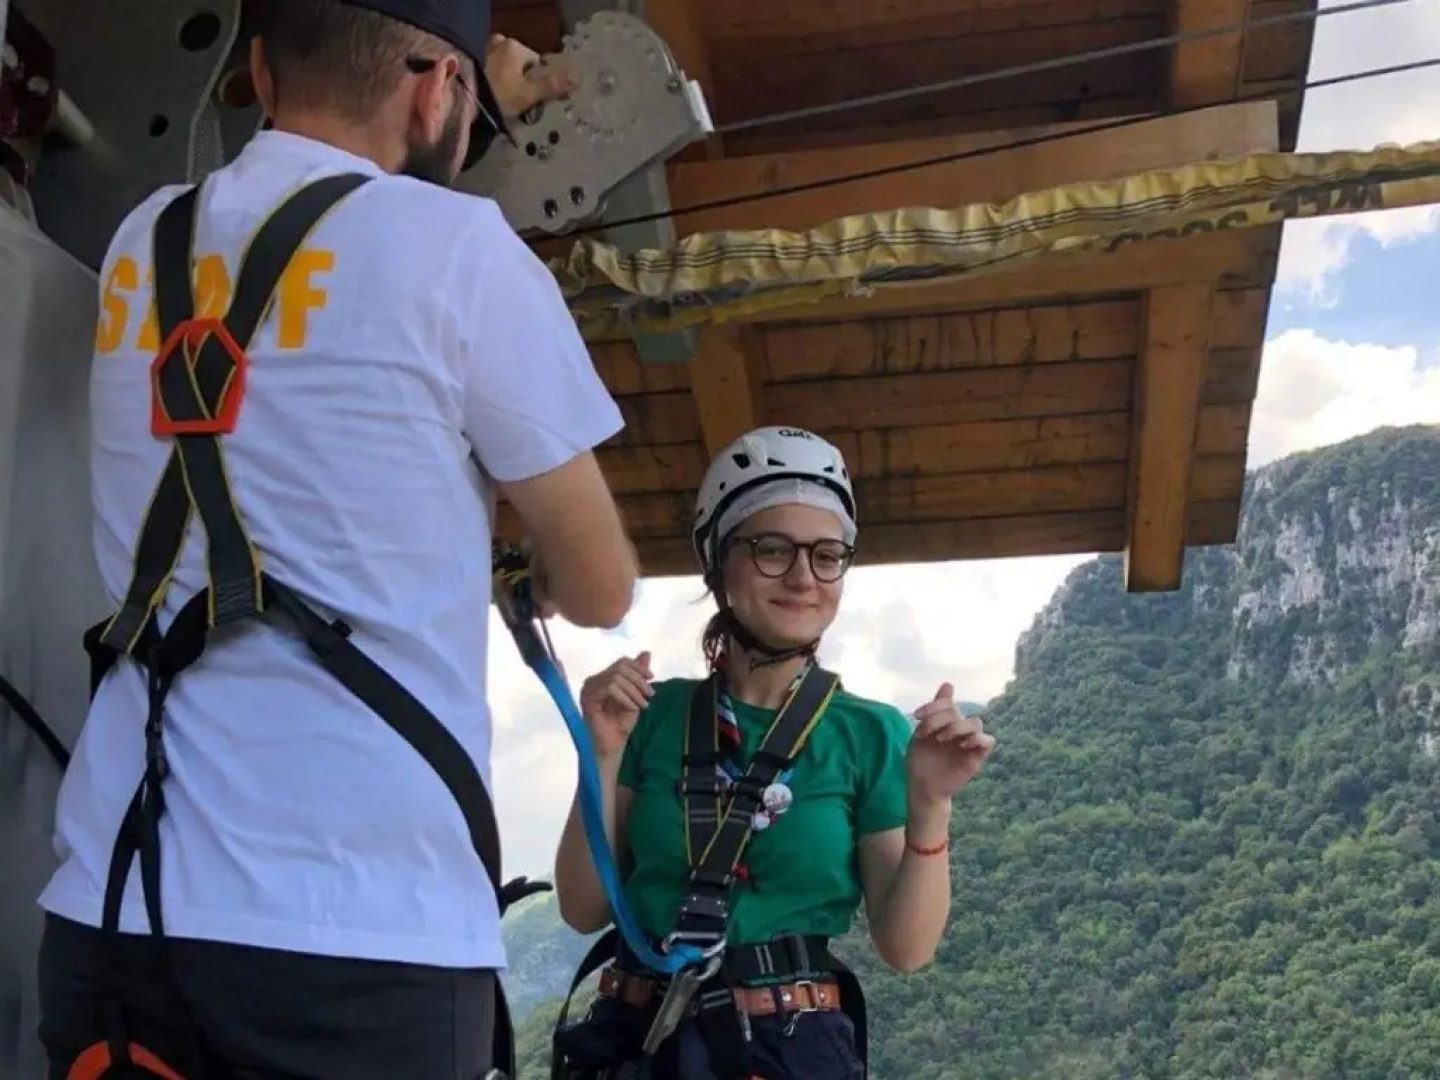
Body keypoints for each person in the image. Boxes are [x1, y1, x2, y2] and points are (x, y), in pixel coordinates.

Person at [35, 1, 638, 1077]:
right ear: (436, 90)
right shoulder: (458, 249)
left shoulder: (143, 239)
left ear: (259, 70)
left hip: (118, 914)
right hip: (360, 937)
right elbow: (597, 585)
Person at [549, 426, 997, 1079]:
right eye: (770, 549)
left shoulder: (868, 734)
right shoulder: (649, 714)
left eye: (826, 555)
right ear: (718, 562)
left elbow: (906, 947)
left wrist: (930, 801)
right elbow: (583, 908)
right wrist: (600, 753)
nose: (802, 577)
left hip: (787, 1047)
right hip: (637, 1042)